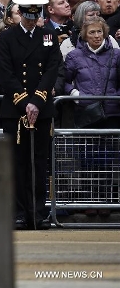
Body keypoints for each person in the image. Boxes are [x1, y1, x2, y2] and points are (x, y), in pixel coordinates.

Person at [0, 0, 61, 230]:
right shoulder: (7, 37)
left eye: (36, 16)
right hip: (15, 109)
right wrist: (25, 102)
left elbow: (53, 67)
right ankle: (18, 212)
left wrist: (37, 100)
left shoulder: (48, 36)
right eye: (28, 16)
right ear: (21, 14)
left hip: (41, 108)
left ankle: (37, 213)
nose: (33, 20)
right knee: (16, 163)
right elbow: (5, 72)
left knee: (39, 162)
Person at [63, 16, 120, 217]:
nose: (96, 36)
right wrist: (74, 94)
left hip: (111, 112)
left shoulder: (116, 54)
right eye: (92, 32)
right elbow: (64, 80)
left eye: (99, 32)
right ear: (84, 35)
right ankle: (90, 200)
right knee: (87, 159)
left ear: (105, 33)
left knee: (107, 160)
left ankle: (105, 202)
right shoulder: (74, 56)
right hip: (87, 113)